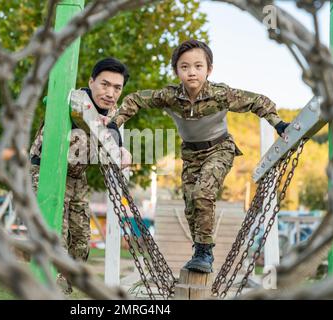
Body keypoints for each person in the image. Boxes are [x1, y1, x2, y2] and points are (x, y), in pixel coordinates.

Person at [106, 39, 290, 273]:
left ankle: (205, 252)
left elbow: (258, 101)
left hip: (219, 148)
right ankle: (199, 250)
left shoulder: (221, 94)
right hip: (191, 154)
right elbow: (135, 100)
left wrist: (278, 123)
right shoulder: (169, 96)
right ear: (176, 71)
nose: (191, 72)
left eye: (198, 66)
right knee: (191, 205)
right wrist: (115, 123)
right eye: (184, 67)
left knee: (203, 193)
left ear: (208, 69)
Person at [30, 58, 132, 293]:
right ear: (91, 82)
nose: (110, 93)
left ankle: (63, 290)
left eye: (117, 88)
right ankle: (48, 290)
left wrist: (122, 148)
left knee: (81, 242)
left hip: (77, 179)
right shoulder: (76, 100)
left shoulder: (112, 112)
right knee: (57, 238)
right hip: (47, 171)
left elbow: (113, 132)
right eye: (104, 84)